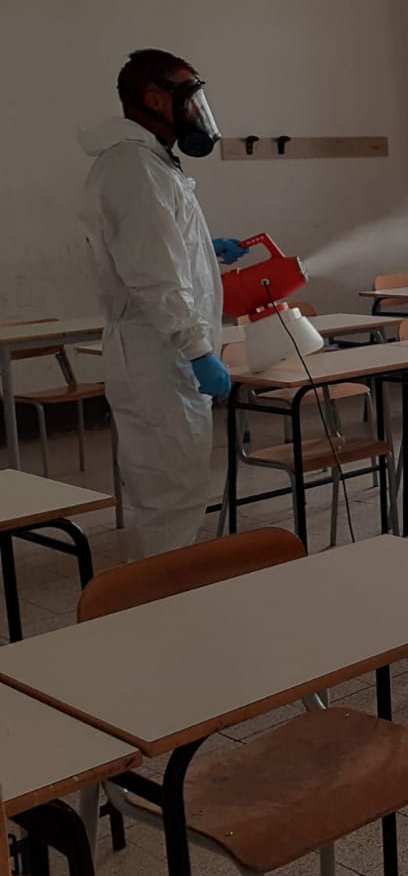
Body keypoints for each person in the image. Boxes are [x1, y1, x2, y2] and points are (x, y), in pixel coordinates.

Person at [79, 49, 248, 558]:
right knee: (169, 495)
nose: (198, 109)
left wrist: (203, 248)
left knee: (179, 486)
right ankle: (162, 609)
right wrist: (198, 349)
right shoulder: (132, 166)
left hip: (163, 349)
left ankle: (171, 601)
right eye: (189, 95)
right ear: (155, 98)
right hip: (157, 353)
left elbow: (158, 249)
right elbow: (154, 277)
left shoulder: (151, 161)